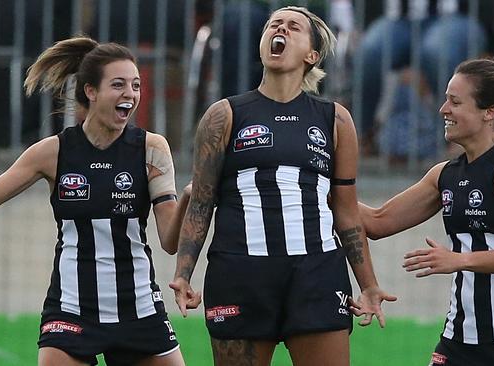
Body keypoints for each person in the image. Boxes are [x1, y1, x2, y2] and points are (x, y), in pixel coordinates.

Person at [0, 36, 190, 366]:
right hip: (72, 307)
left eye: (135, 85)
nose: (130, 94)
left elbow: (170, 241)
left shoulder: (152, 148)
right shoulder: (52, 152)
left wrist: (188, 198)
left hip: (139, 306)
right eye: (118, 84)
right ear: (91, 91)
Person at [169, 6, 396, 366]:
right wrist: (183, 275)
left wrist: (368, 285)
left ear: (312, 55)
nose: (281, 29)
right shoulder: (223, 115)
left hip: (317, 274)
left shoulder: (335, 119)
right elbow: (201, 202)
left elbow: (346, 211)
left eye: (293, 27)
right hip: (240, 274)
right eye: (274, 25)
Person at [359, 46, 494, 366]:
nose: (442, 109)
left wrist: (459, 259)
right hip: (458, 342)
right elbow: (377, 222)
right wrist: (321, 184)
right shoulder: (445, 175)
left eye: (455, 101)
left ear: (488, 112)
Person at [353, 0, 490, 156]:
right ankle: (362, 134)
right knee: (369, 52)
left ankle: (459, 135)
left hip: (456, 18)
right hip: (398, 19)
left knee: (436, 53)